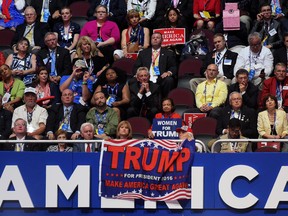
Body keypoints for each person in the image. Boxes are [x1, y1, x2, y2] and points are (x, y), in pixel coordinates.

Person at [133, 32, 177, 97]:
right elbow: (136, 67)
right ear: (151, 40)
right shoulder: (143, 53)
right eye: (153, 38)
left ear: (162, 40)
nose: (155, 39)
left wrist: (168, 72)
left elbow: (173, 66)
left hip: (160, 77)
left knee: (169, 80)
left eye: (158, 38)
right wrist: (139, 74)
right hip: (145, 77)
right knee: (132, 80)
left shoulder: (168, 53)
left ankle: (165, 101)